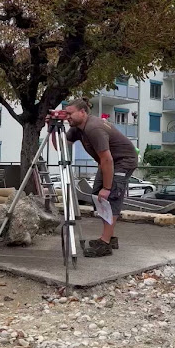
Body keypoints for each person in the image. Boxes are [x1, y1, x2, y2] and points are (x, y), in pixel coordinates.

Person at [63, 97, 138, 258]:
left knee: (110, 197)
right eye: (65, 114)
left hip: (123, 161)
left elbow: (107, 158)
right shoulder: (77, 128)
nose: (67, 117)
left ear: (82, 112)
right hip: (108, 162)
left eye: (70, 113)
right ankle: (109, 238)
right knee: (98, 196)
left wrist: (107, 187)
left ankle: (105, 244)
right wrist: (51, 126)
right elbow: (61, 147)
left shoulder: (93, 127)